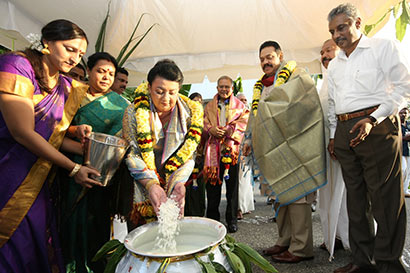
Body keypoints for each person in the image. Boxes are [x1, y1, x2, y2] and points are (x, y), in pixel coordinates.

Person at [0, 19, 101, 273]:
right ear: (47, 42)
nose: (76, 58)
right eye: (70, 49)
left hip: (42, 180)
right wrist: (74, 169)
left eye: (80, 53)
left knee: (34, 249)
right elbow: (22, 132)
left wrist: (81, 139)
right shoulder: (17, 66)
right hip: (9, 175)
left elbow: (52, 135)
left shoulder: (65, 85)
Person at [327, 3, 410, 273]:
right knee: (355, 199)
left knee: (385, 199)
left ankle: (388, 263)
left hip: (377, 128)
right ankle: (362, 261)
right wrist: (333, 136)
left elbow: (404, 87)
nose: (337, 35)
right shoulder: (335, 64)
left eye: (342, 27)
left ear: (358, 23)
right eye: (332, 31)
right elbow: (331, 103)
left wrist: (374, 119)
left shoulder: (383, 48)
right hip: (344, 132)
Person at [243, 41, 323, 263]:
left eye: (269, 57)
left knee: (298, 198)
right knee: (280, 197)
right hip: (272, 151)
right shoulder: (260, 85)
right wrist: (250, 138)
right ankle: (284, 240)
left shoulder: (297, 75)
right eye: (261, 59)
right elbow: (256, 116)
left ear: (280, 56)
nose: (265, 62)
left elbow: (307, 106)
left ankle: (301, 248)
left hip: (294, 148)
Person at [59, 52, 130, 273]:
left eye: (111, 73)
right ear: (88, 71)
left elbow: (123, 143)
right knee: (69, 226)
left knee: (97, 226)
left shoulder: (121, 105)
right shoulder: (70, 96)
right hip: (70, 171)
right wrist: (76, 135)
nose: (106, 77)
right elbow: (54, 134)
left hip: (102, 176)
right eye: (101, 71)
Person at [123, 59, 203, 226]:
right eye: (159, 91)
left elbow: (189, 154)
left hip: (175, 182)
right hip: (141, 183)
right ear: (149, 87)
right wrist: (151, 184)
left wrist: (179, 183)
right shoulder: (133, 112)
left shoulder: (189, 114)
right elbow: (132, 153)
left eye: (172, 92)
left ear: (179, 90)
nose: (166, 98)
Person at [203, 76, 249, 233]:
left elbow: (244, 122)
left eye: (227, 87)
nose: (224, 89)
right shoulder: (208, 106)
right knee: (213, 188)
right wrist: (211, 130)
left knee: (232, 189)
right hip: (213, 152)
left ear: (232, 89)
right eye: (221, 86)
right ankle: (212, 220)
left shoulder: (240, 106)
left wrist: (230, 130)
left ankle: (232, 220)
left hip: (231, 151)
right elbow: (202, 121)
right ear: (217, 88)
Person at [317, 39, 349, 259]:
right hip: (327, 148)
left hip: (342, 144)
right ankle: (334, 237)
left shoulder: (346, 74)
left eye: (329, 49)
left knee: (346, 194)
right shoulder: (324, 81)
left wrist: (334, 139)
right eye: (322, 52)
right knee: (328, 194)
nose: (324, 55)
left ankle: (352, 240)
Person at [184, 91, 206, 217]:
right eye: (194, 102)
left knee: (200, 186)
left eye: (200, 102)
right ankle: (187, 213)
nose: (197, 104)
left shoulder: (206, 119)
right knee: (187, 187)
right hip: (187, 157)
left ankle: (200, 213)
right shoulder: (185, 117)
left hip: (201, 158)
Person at [235, 93, 254, 219]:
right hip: (236, 149)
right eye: (241, 100)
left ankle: (246, 206)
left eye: (245, 99)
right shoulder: (234, 114)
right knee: (239, 180)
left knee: (247, 179)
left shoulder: (251, 114)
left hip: (248, 149)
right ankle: (238, 208)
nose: (243, 101)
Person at [400, 107, 410, 197]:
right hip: (400, 150)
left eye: (405, 113)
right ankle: (398, 189)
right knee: (403, 169)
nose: (403, 115)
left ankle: (405, 190)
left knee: (408, 171)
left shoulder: (409, 124)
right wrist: (404, 138)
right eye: (401, 113)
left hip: (408, 150)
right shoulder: (396, 125)